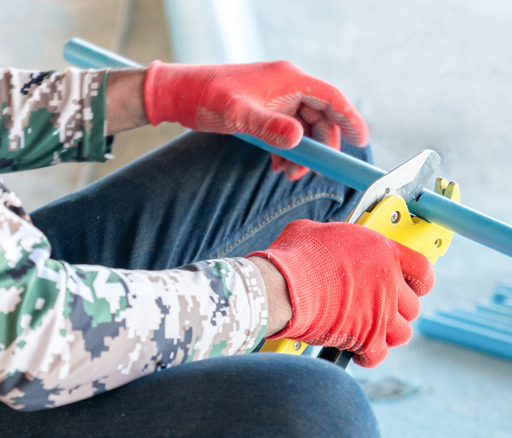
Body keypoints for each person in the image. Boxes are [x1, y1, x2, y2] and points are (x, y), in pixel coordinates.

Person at [0, 60, 435, 437]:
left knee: (317, 155)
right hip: (28, 337)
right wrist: (283, 289)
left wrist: (148, 93)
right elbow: (33, 338)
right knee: (315, 410)